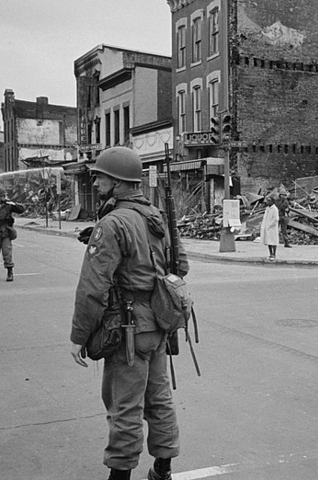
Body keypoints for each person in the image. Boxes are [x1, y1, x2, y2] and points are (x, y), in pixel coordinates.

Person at [70, 146, 189, 480]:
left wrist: (79, 336)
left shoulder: (112, 223)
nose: (95, 183)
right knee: (159, 399)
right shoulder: (155, 217)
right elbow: (181, 267)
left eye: (100, 176)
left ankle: (119, 476)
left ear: (119, 181)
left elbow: (92, 288)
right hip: (159, 325)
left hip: (129, 328)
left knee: (124, 405)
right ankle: (162, 469)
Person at [0, 186, 25, 281]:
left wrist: (12, 203)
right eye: (2, 196)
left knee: (7, 252)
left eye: (4, 196)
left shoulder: (8, 205)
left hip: (5, 232)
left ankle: (10, 272)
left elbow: (21, 209)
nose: (3, 198)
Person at [260, 195, 279, 260]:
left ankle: (274, 254)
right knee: (268, 241)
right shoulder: (267, 208)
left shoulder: (274, 209)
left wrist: (270, 225)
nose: (268, 202)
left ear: (272, 202)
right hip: (267, 227)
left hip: (272, 227)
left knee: (273, 241)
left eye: (269, 201)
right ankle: (270, 253)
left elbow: (276, 219)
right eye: (267, 201)